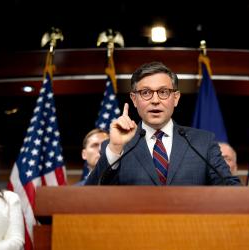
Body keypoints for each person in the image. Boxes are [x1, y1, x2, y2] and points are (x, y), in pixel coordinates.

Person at [86, 61, 240, 186]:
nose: (155, 100)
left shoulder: (203, 142)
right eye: (146, 92)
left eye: (163, 92)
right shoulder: (114, 147)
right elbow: (91, 196)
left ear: (176, 98)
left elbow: (230, 189)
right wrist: (115, 148)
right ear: (134, 99)